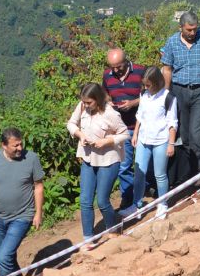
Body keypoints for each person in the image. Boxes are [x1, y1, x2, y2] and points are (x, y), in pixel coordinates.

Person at [159, 10, 200, 183]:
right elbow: (167, 69)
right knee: (185, 136)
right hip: (179, 92)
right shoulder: (172, 42)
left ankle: (198, 175)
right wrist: (165, 94)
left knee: (197, 135)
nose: (192, 33)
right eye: (189, 30)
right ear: (181, 28)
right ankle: (187, 172)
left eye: (195, 29)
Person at [0, 127, 45, 276]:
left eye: (21, 144)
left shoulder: (32, 159)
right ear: (4, 145)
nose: (20, 148)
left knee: (2, 257)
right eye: (15, 146)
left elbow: (38, 187)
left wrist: (38, 213)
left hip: (22, 216)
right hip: (0, 217)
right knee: (7, 256)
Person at [66, 83, 129, 239]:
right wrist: (80, 135)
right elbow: (71, 124)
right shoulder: (82, 107)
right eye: (84, 102)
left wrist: (106, 142)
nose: (86, 105)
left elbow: (124, 134)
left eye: (89, 102)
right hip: (88, 158)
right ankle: (88, 237)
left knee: (102, 201)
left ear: (98, 99)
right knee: (85, 200)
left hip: (108, 160)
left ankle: (112, 228)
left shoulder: (110, 114)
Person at [102, 48, 145, 213]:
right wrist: (109, 103)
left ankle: (147, 191)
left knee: (143, 164)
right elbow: (104, 93)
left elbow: (153, 94)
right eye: (112, 67)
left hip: (143, 126)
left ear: (126, 62)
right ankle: (128, 198)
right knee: (124, 165)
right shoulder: (107, 75)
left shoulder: (141, 71)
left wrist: (133, 103)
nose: (115, 70)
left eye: (118, 66)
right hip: (122, 129)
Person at [131, 66, 177, 211]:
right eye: (144, 84)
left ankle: (162, 204)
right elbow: (140, 115)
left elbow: (172, 122)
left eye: (148, 84)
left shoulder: (168, 97)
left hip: (160, 140)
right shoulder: (144, 94)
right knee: (139, 174)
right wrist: (135, 133)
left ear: (157, 82)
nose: (145, 87)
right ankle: (136, 205)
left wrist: (171, 143)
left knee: (160, 175)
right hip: (143, 139)